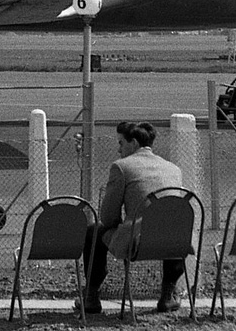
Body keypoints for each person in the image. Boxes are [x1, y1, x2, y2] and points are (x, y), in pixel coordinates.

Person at [78, 120, 186, 314]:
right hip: (177, 243)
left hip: (138, 242)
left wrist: (118, 226)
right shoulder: (173, 169)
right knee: (172, 227)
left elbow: (108, 216)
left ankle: (91, 295)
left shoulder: (121, 167)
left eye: (121, 143)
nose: (119, 150)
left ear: (134, 143)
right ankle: (168, 294)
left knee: (93, 232)